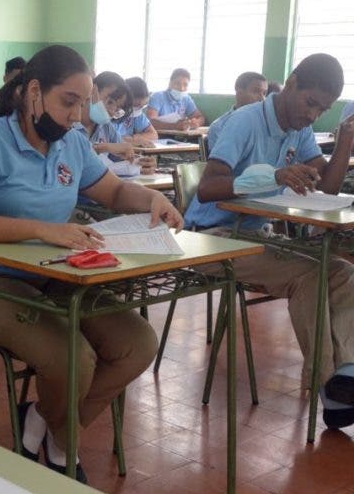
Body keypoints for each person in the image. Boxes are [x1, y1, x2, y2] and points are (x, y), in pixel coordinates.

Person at [0, 45, 182, 482]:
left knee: (138, 344)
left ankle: (42, 424)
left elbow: (113, 193)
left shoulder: (72, 143)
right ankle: (60, 451)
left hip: (53, 273)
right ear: (34, 92)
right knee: (74, 357)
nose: (76, 115)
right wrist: (41, 228)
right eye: (68, 101)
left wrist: (153, 199)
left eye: (82, 104)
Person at [183, 53, 354, 428]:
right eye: (310, 103)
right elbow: (209, 188)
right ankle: (329, 388)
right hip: (212, 238)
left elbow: (327, 186)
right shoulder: (246, 121)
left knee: (341, 271)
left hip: (255, 236)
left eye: (322, 110)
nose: (312, 115)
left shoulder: (299, 129)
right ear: (291, 82)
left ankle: (348, 375)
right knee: (310, 274)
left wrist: (345, 141)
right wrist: (272, 177)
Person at [206, 71, 269, 152]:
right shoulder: (219, 127)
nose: (262, 99)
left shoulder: (266, 125)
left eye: (264, 93)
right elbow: (219, 162)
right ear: (239, 92)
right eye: (256, 91)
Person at [114, 77, 158, 146]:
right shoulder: (114, 114)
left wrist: (135, 138)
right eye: (136, 105)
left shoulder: (138, 114)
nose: (139, 109)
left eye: (143, 106)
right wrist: (132, 140)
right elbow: (110, 138)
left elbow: (153, 135)